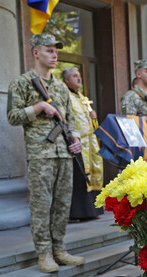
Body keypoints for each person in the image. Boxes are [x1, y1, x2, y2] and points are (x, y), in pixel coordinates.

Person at [7, 33, 85, 273]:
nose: (55, 55)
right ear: (36, 53)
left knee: (62, 204)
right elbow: (12, 116)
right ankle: (44, 253)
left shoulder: (61, 87)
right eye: (49, 50)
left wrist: (76, 139)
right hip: (40, 153)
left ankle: (60, 249)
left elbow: (70, 119)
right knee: (42, 205)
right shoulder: (22, 83)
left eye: (56, 51)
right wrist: (38, 107)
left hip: (63, 153)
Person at [62, 68, 104, 221]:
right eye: (74, 76)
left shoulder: (82, 97)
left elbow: (90, 123)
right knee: (80, 176)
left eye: (79, 76)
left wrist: (94, 118)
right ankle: (79, 212)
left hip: (91, 142)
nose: (79, 79)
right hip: (77, 142)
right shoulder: (66, 96)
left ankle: (93, 210)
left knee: (94, 172)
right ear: (66, 80)